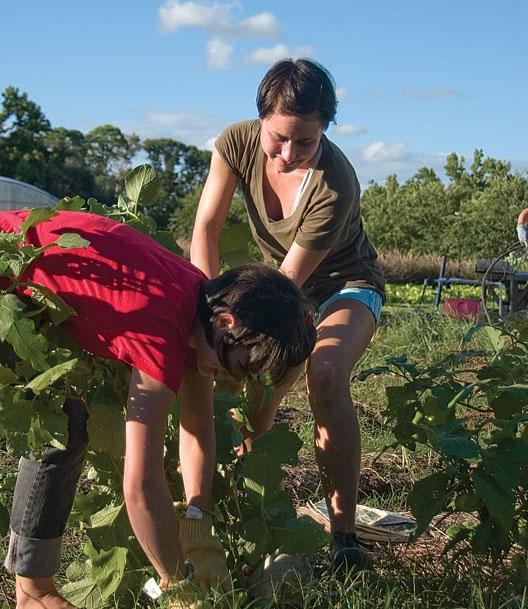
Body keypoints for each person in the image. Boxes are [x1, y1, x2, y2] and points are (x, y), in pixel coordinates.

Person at [0, 209, 316, 609]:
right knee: (60, 426)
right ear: (225, 322)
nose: (232, 381)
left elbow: (198, 429)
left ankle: (33, 588)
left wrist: (197, 521)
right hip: (7, 266)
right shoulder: (162, 331)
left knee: (64, 423)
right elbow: (140, 485)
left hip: (26, 283)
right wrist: (177, 582)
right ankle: (33, 592)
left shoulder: (199, 306)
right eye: (238, 366)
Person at [190, 58, 385, 571]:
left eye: (306, 141)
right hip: (274, 282)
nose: (289, 153)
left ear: (325, 128)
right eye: (278, 138)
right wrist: (206, 312)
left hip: (342, 285)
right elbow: (207, 228)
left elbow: (285, 287)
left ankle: (343, 535)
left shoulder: (336, 184)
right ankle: (250, 509)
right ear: (260, 120)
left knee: (322, 373)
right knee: (236, 375)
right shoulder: (235, 144)